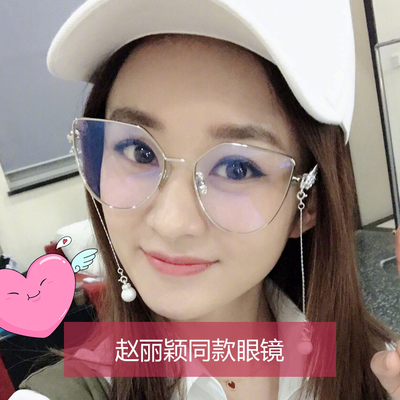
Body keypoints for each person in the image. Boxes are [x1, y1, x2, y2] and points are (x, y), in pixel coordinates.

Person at [8, 0, 400, 399]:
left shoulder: (376, 369)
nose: (171, 222)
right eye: (138, 151)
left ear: (308, 201)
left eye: (237, 168)